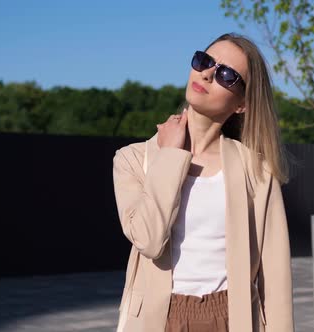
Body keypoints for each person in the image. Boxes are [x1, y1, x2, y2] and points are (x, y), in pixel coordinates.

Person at [112, 33, 294, 332]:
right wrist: (170, 157)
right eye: (204, 61)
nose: (207, 74)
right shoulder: (133, 160)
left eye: (226, 75)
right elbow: (148, 240)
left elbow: (275, 280)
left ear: (242, 104)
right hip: (158, 319)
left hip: (232, 318)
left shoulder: (257, 170)